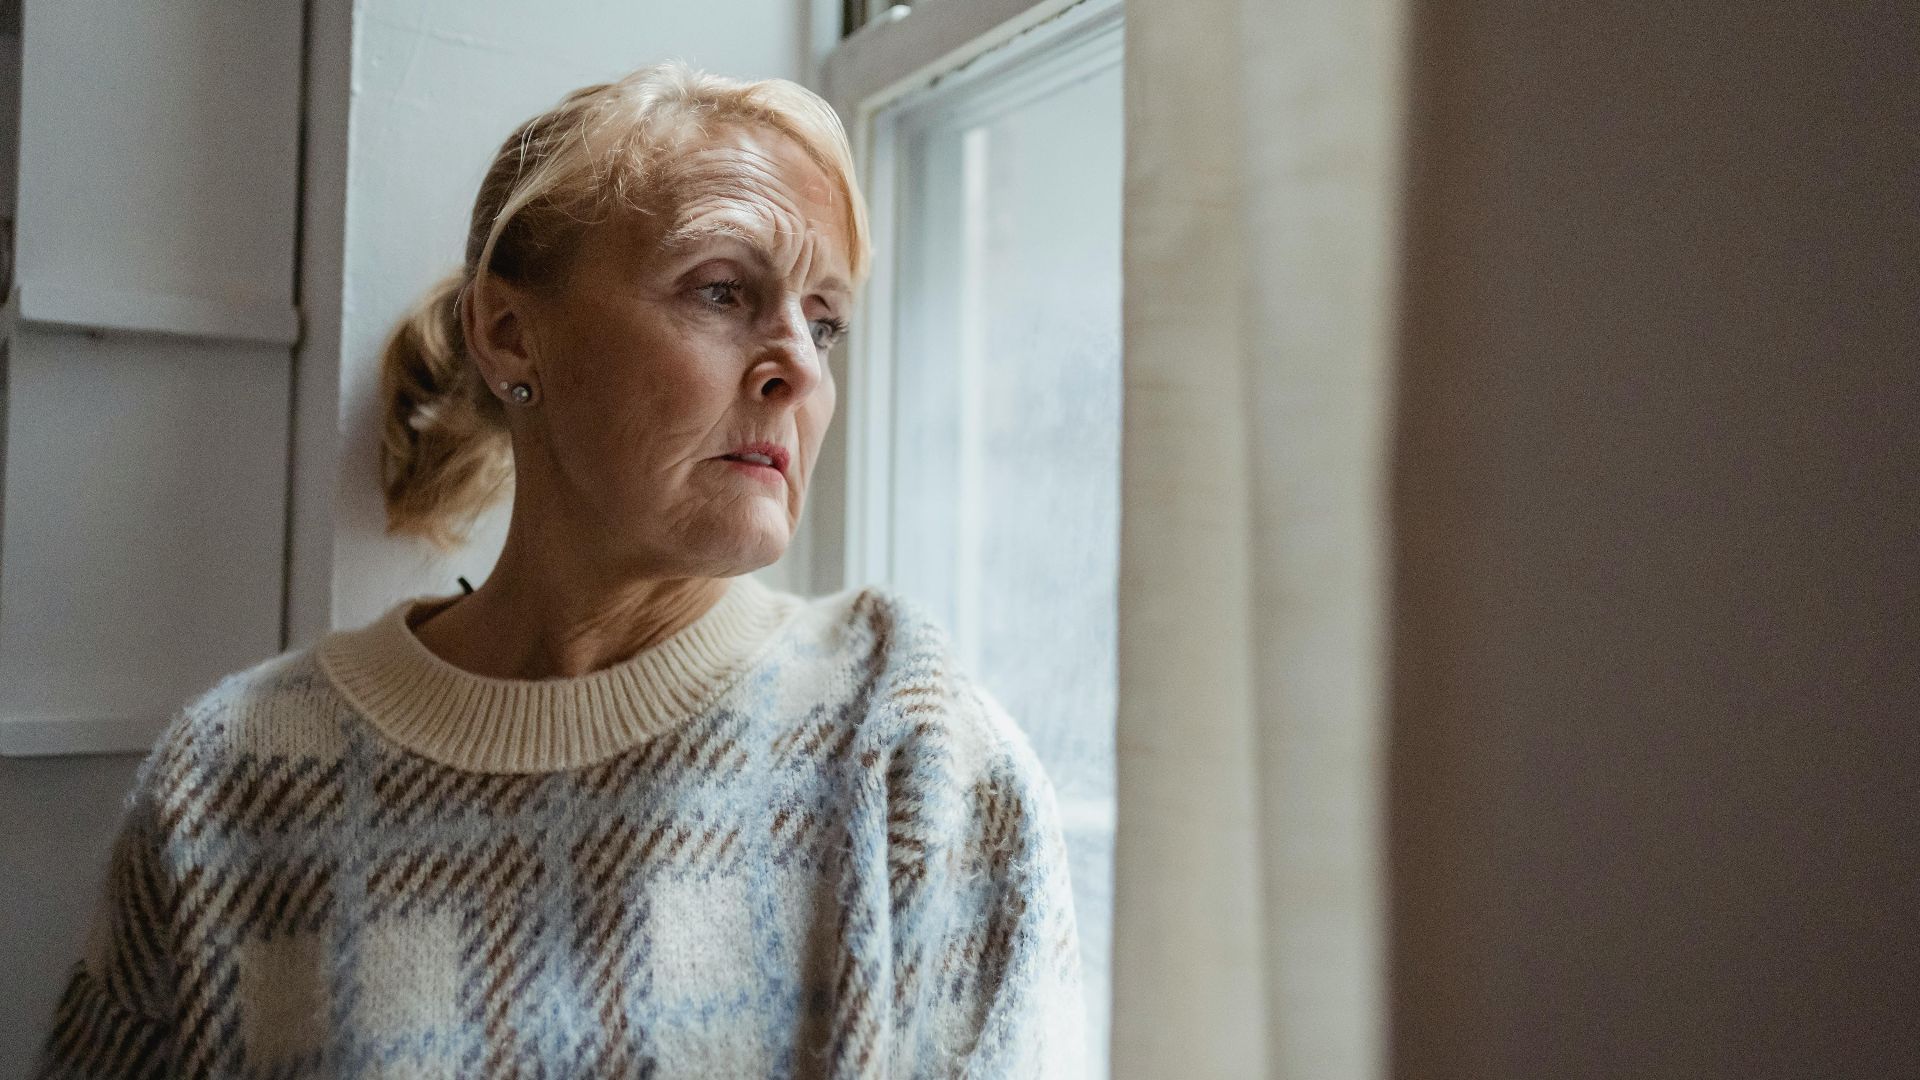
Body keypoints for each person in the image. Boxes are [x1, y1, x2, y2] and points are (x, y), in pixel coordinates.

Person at [33, 61, 1085, 1079]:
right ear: (508, 333)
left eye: (825, 322)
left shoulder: (912, 750)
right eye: (723, 291)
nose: (800, 368)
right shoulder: (234, 781)